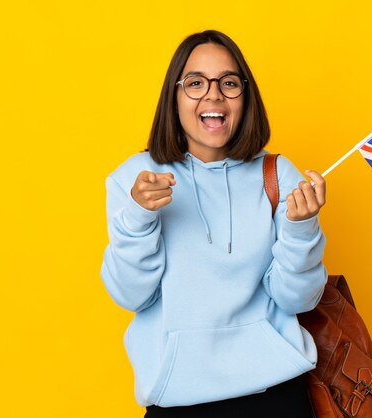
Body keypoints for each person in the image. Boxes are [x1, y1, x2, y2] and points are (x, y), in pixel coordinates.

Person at [100, 30, 327, 418]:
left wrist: (302, 230)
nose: (213, 95)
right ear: (173, 97)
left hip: (276, 395)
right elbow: (130, 295)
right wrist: (139, 218)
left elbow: (297, 299)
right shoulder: (135, 179)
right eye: (195, 83)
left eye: (228, 82)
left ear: (245, 95)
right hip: (178, 400)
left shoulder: (277, 175)